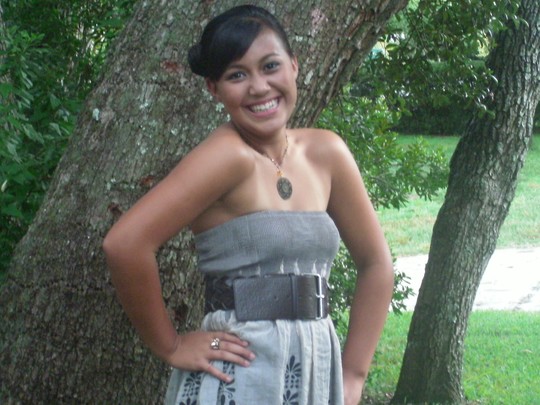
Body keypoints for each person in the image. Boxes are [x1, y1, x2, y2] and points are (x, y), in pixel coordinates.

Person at [103, 5, 393, 405]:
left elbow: (376, 264)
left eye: (270, 66)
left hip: (313, 369)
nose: (258, 87)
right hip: (240, 374)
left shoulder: (326, 152)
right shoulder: (226, 157)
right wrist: (171, 346)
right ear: (214, 88)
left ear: (294, 66)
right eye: (236, 75)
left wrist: (354, 373)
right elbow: (125, 244)